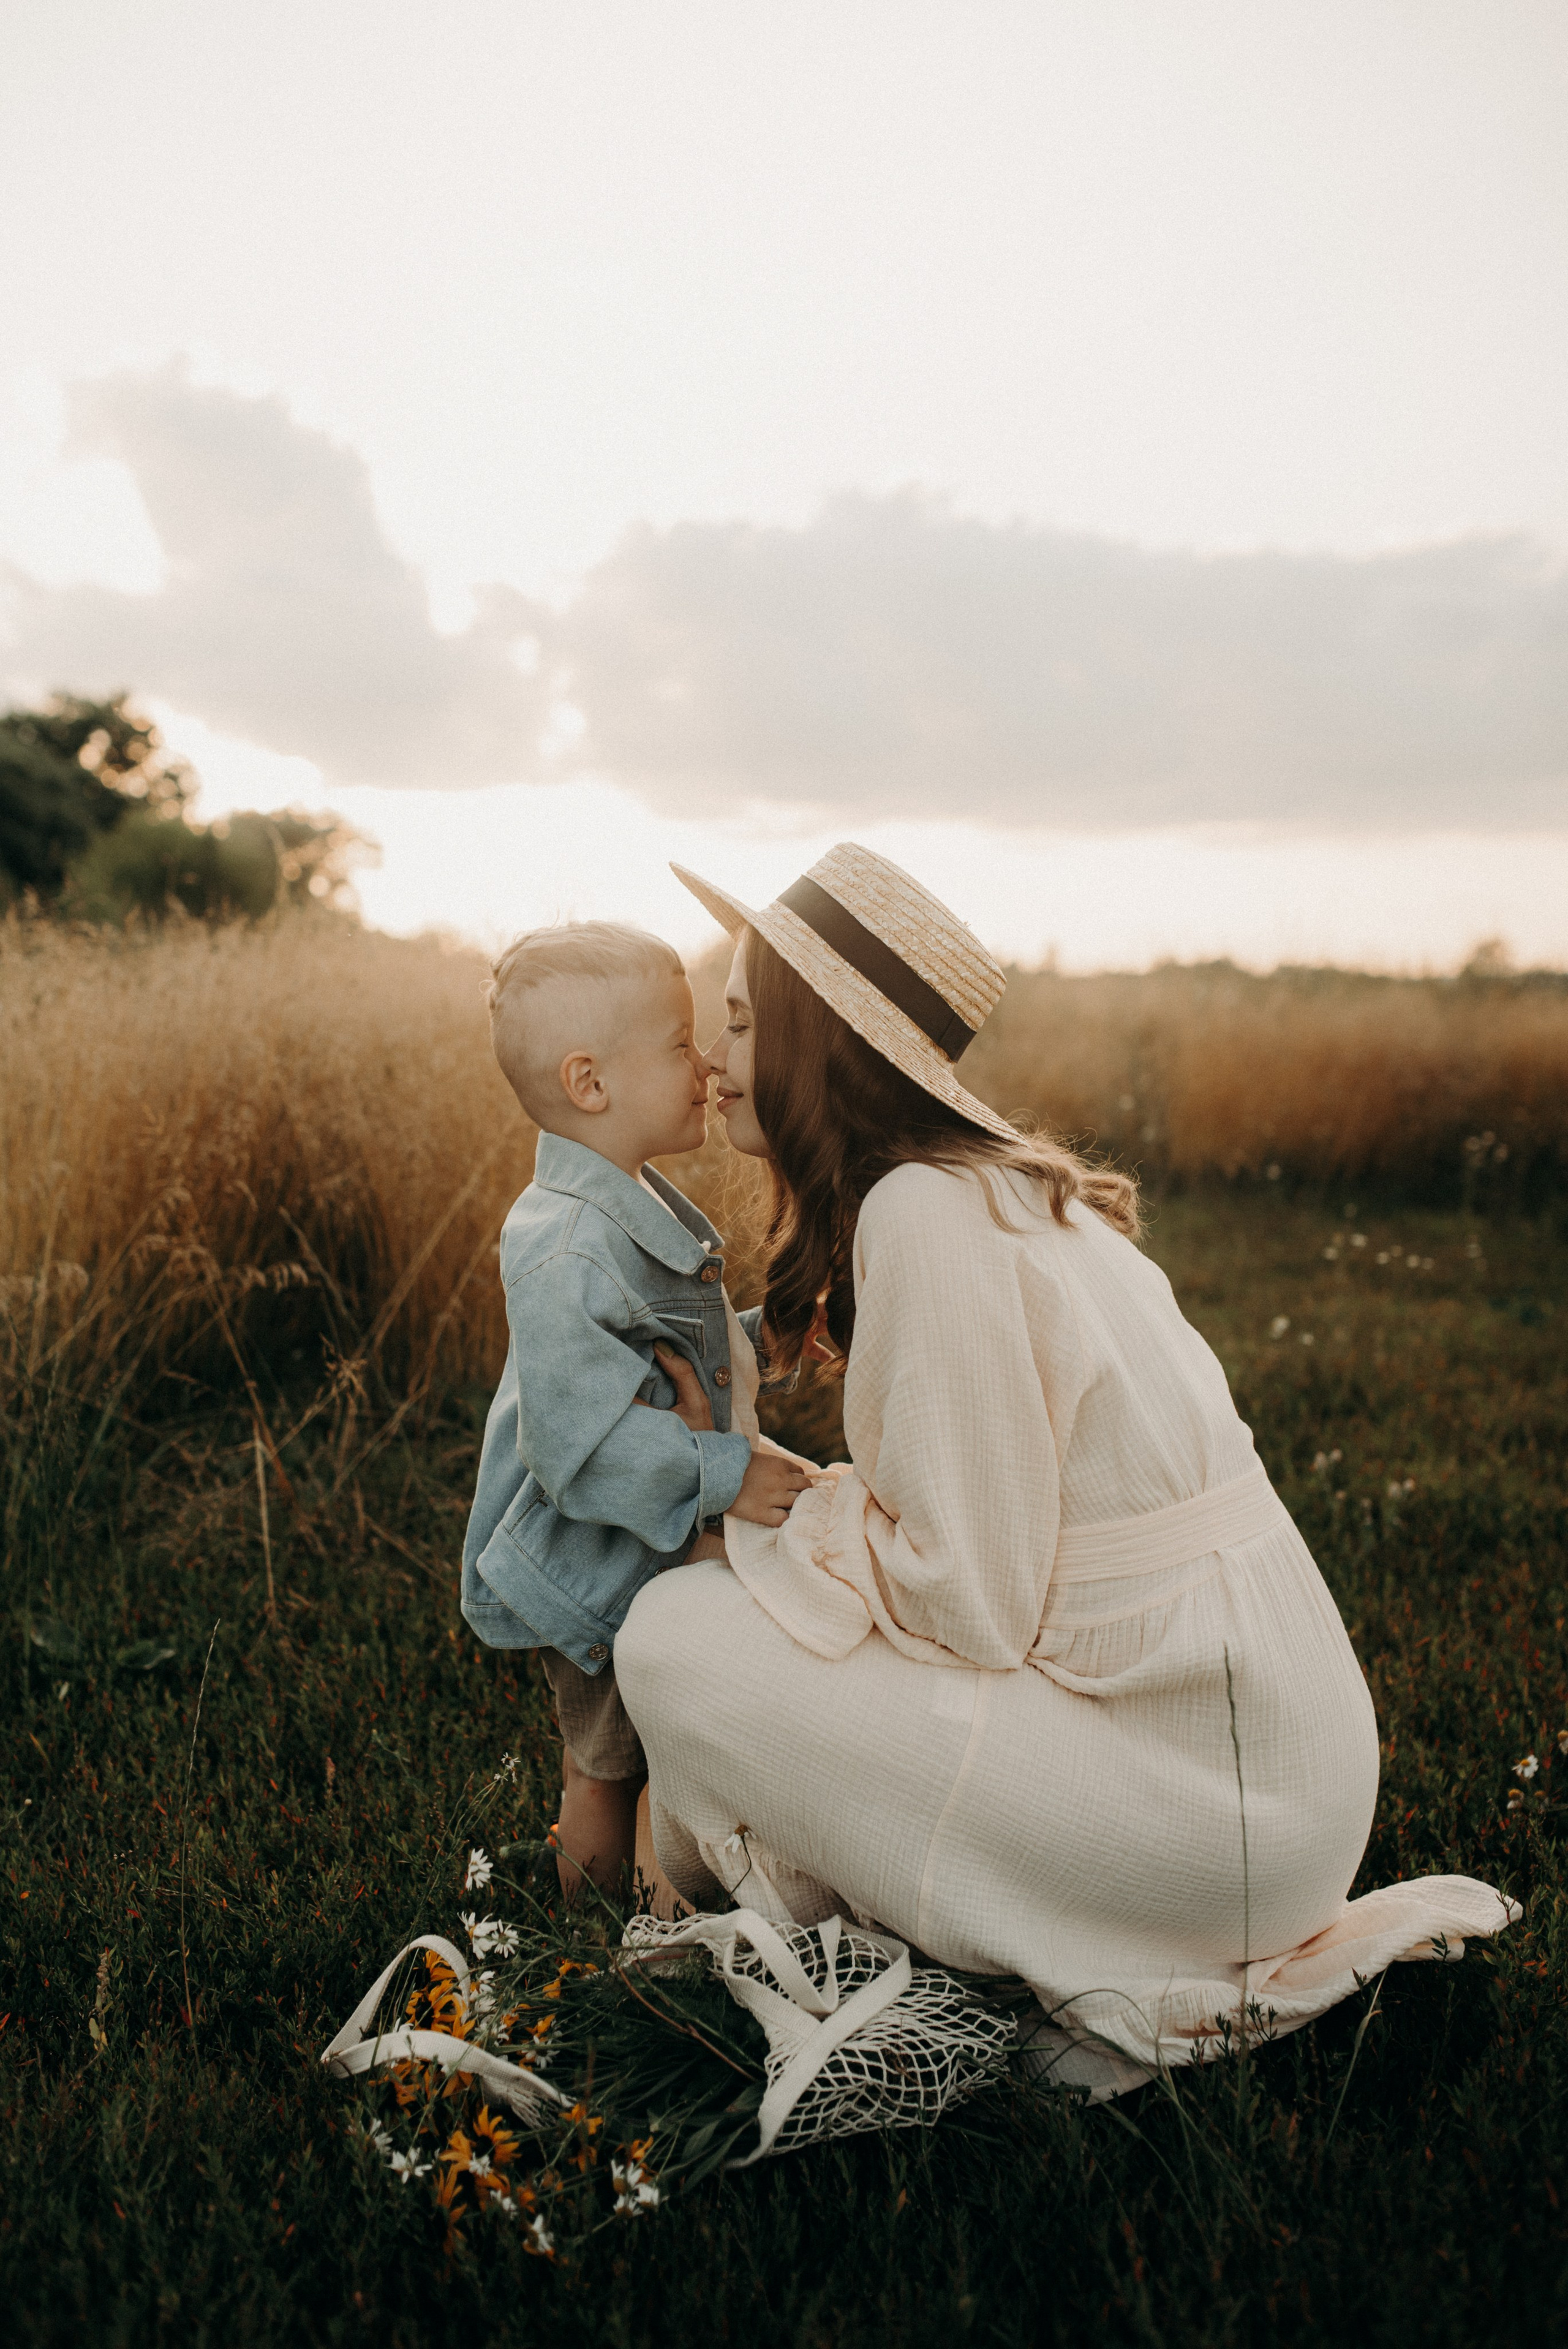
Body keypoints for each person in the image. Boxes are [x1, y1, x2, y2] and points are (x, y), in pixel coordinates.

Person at [614, 845, 1517, 2094]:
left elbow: (966, 1605)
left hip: (1209, 1820)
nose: (711, 1059)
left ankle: (824, 1908)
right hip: (1279, 1779)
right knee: (736, 1613)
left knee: (671, 1630)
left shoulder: (920, 1216)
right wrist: (797, 1517)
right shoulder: (999, 1194)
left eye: (735, 1020)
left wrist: (760, 1529)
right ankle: (822, 1876)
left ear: (813, 1046)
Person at [460, 921, 812, 1899]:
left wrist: (767, 1333)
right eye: (677, 1043)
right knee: (611, 1759)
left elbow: (665, 1354)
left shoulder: (624, 1208)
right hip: (598, 1554)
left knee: (659, 1738)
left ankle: (649, 1908)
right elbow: (577, 1441)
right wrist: (726, 1472)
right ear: (590, 1083)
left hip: (639, 1539)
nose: (705, 1063)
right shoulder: (567, 1245)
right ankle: (591, 1931)